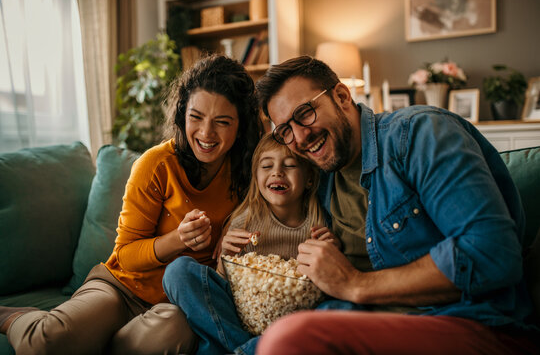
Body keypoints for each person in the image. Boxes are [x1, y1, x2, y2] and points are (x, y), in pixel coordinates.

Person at [253, 55, 539, 354]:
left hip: (470, 323)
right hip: (362, 320)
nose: (299, 136)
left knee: (291, 338)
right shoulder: (319, 177)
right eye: (285, 130)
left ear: (341, 96)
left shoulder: (420, 133)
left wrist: (355, 284)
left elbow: (491, 253)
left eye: (305, 113)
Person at [0, 54, 262, 355]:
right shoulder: (156, 164)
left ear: (240, 126)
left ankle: (93, 342)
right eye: (196, 117)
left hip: (176, 305)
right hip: (120, 289)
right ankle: (13, 317)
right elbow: (125, 255)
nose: (205, 133)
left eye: (222, 122)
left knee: (169, 337)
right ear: (181, 114)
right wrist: (178, 239)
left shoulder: (247, 173)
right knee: (45, 343)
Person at [162, 132, 340, 355]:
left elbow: (329, 285)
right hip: (242, 314)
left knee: (339, 309)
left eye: (290, 165)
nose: (277, 172)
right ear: (256, 177)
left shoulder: (320, 223)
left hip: (293, 320)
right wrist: (225, 258)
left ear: (310, 178)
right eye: (266, 166)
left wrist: (332, 253)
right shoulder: (245, 220)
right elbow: (224, 286)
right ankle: (247, 348)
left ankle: (236, 349)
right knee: (178, 271)